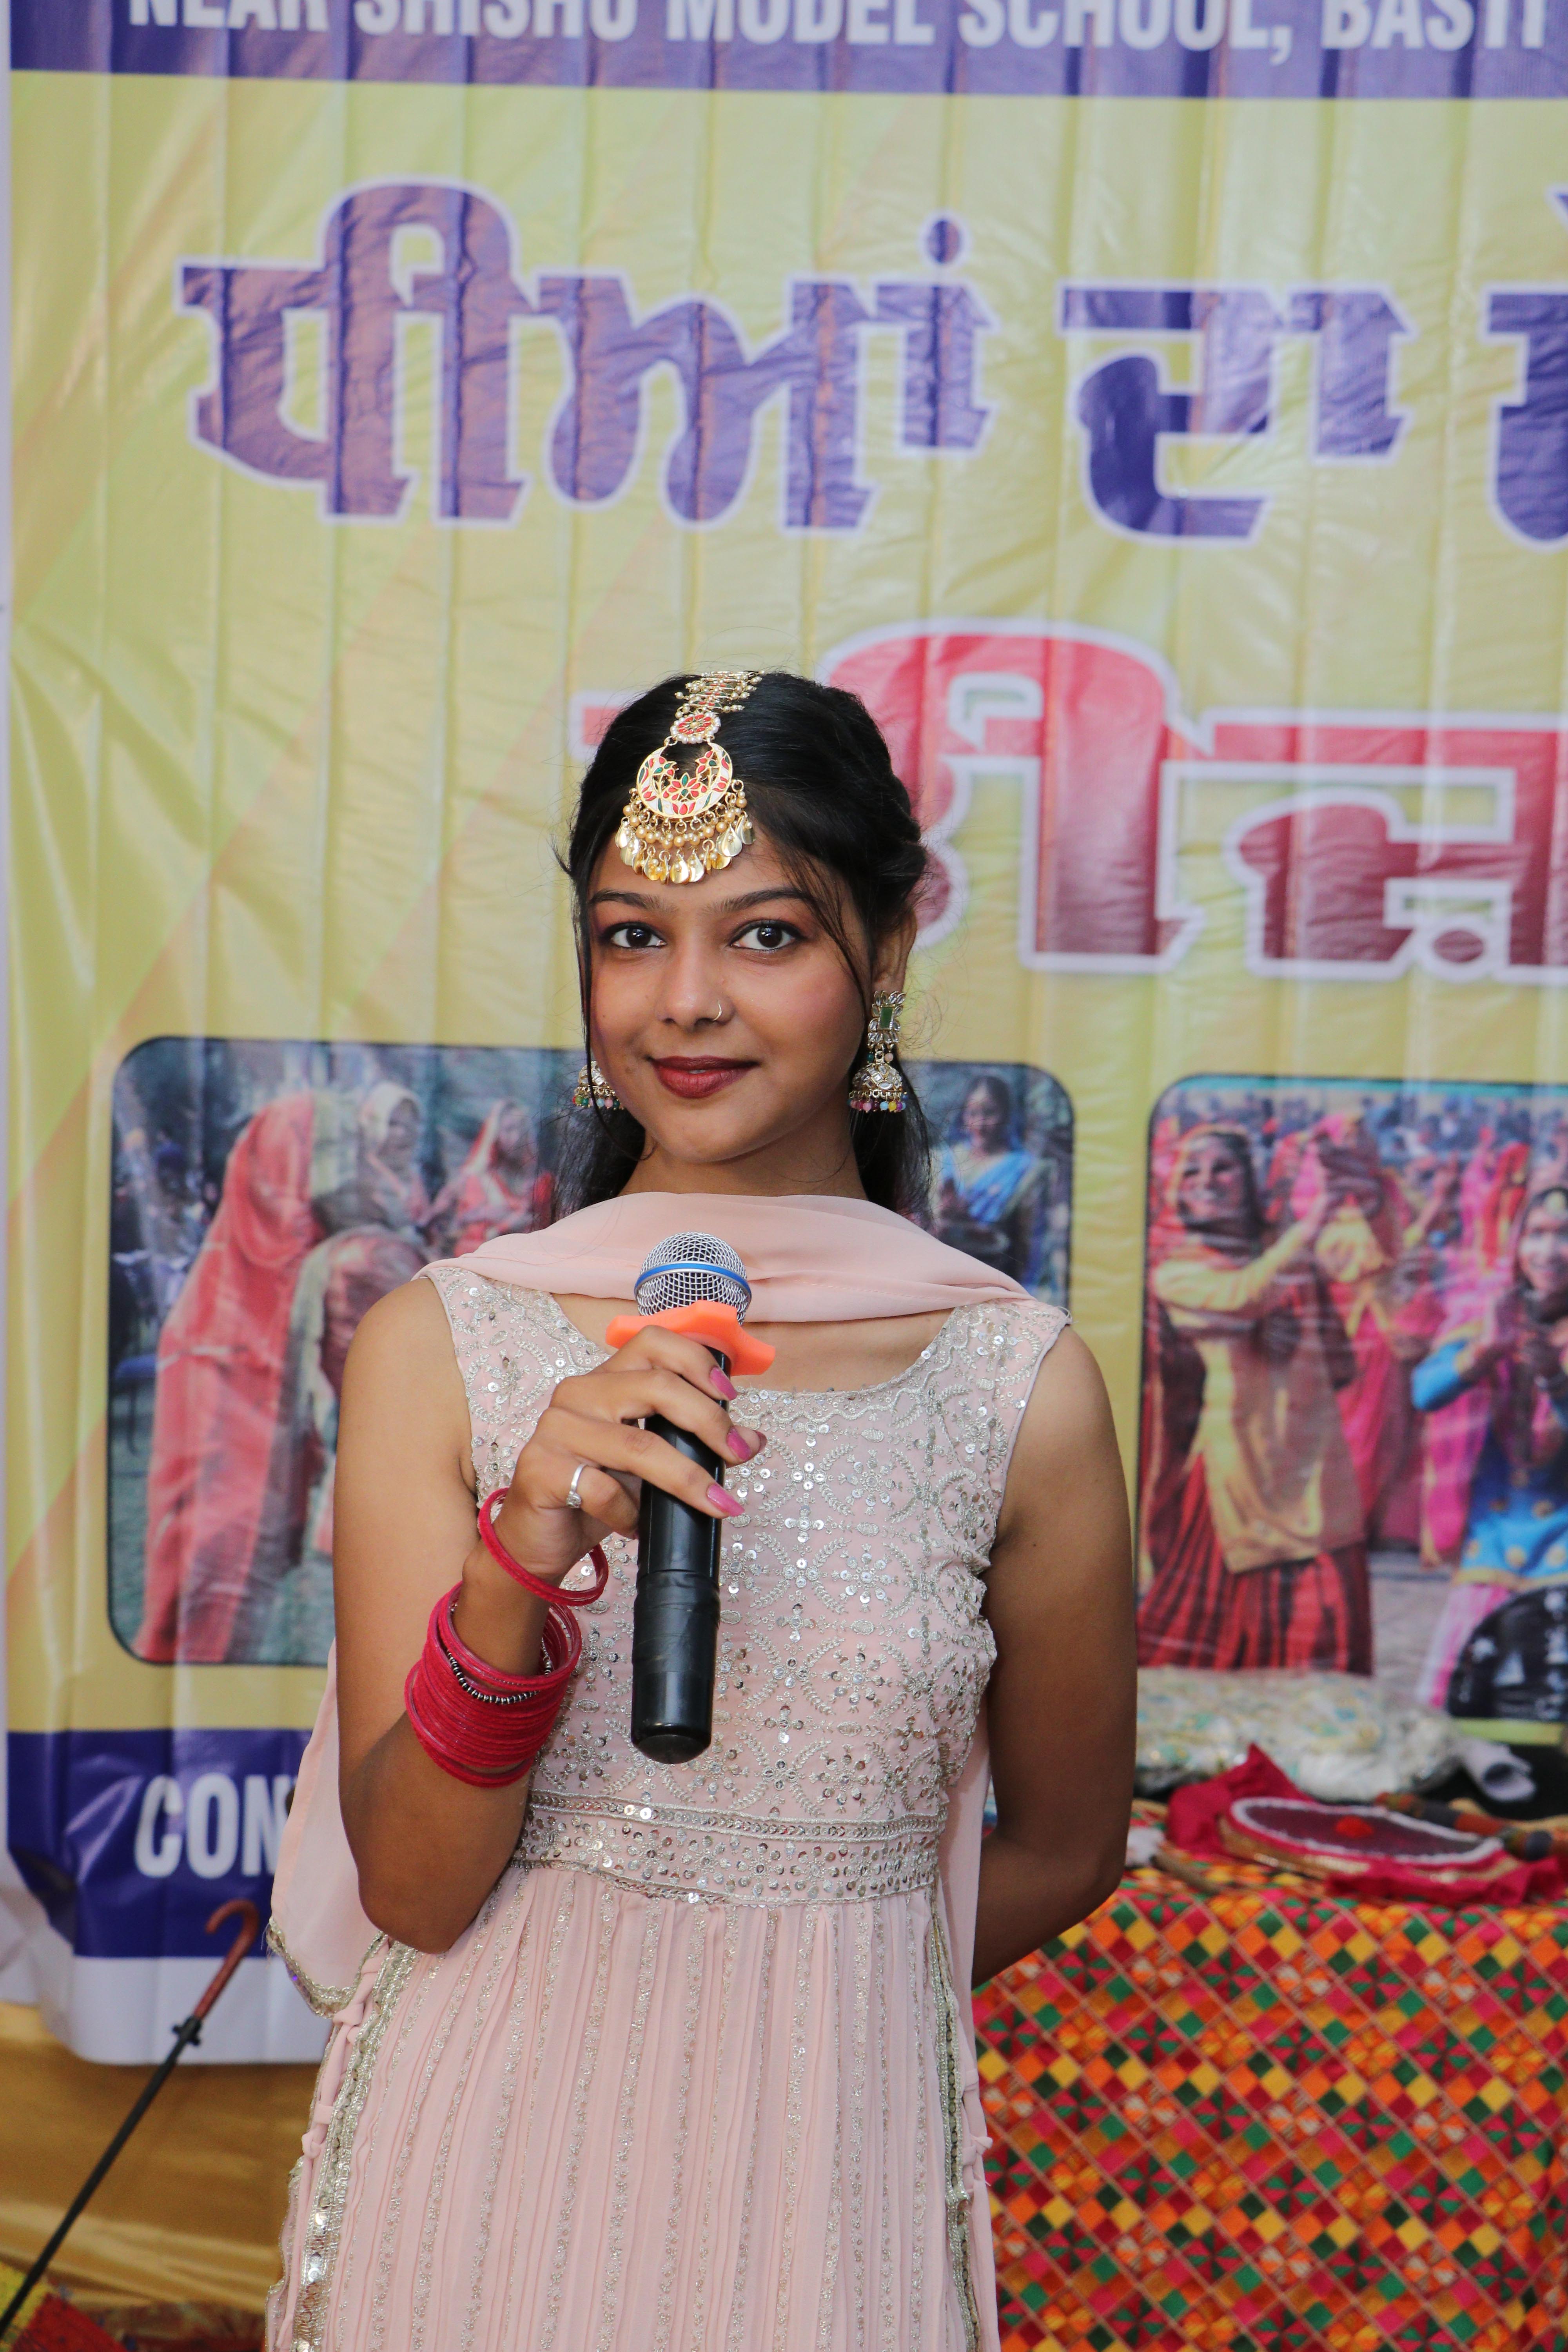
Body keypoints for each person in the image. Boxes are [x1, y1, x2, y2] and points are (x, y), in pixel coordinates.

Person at [267, 669, 1134, 2352]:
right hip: (484, 2171)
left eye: (763, 936)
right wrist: (518, 1564)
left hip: (824, 2182)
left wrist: (806, 1983)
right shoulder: (447, 1345)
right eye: (628, 935)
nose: (682, 1001)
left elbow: (1064, 1841)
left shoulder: (1012, 1385)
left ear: (887, 948)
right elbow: (416, 1890)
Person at [136, 1085, 430, 1664]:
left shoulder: (328, 1257)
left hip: (263, 1459)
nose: (351, 1166)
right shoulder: (331, 1260)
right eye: (334, 1149)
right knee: (204, 1577)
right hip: (227, 1459)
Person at [1137, 1124, 1370, 1673]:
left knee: (1326, 1635)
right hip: (1237, 1475)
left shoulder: (1283, 1245)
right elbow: (1244, 1296)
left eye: (1223, 1167)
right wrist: (1316, 1217)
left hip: (1311, 1462)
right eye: (1191, 1172)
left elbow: (1372, 1262)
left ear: (1250, 1178)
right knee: (1210, 1646)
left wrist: (1364, 1194)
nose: (1206, 1181)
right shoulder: (1176, 1270)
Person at [1413, 1183, 1568, 1721]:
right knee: (1463, 1707)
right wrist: (1485, 1350)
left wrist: (1554, 1377)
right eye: (1537, 1234)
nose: (1548, 1251)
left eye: (1564, 1236)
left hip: (1563, 1548)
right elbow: (1424, 1393)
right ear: (1515, 1242)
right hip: (1492, 1545)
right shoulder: (1489, 1310)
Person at [930, 1074, 1052, 1290]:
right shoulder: (940, 1161)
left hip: (996, 1283)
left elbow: (1029, 1247)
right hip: (940, 1281)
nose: (980, 1123)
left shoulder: (1026, 1171)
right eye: (972, 1113)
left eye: (990, 1113)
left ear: (1006, 1114)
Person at [425, 1098, 555, 1256]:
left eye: (522, 1129)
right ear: (494, 1134)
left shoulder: (542, 1181)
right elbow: (469, 1241)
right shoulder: (477, 1181)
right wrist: (508, 1227)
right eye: (509, 1130)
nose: (517, 1138)